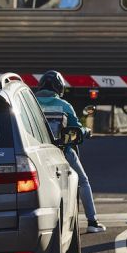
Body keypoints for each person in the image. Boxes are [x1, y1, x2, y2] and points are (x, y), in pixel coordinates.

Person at [35, 70, 105, 233]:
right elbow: (77, 128)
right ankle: (92, 222)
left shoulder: (31, 103)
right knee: (83, 182)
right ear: (59, 87)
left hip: (36, 154)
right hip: (62, 150)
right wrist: (87, 130)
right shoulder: (65, 105)